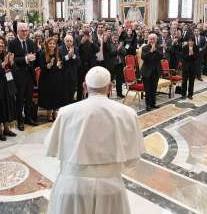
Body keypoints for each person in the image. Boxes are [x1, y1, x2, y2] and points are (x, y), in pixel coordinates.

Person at [46, 66, 145, 214]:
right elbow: (132, 160)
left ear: (85, 86)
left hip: (72, 188)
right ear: (110, 87)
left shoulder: (65, 112)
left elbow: (52, 150)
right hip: (110, 189)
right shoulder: (128, 114)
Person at [8, 23, 38, 130]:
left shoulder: (30, 42)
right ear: (18, 32)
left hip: (29, 74)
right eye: (23, 31)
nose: (25, 32)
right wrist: (26, 59)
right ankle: (20, 121)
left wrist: (32, 58)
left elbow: (33, 55)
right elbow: (12, 59)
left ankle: (28, 118)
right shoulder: (12, 43)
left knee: (29, 98)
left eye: (26, 31)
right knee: (20, 99)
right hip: (18, 75)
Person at [39, 38, 65, 121]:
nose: (52, 45)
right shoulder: (43, 53)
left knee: (56, 96)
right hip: (46, 78)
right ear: (47, 44)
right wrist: (47, 66)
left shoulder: (59, 53)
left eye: (53, 43)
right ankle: (49, 114)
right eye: (50, 43)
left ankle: (55, 113)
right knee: (49, 96)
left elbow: (62, 65)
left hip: (57, 78)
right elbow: (41, 67)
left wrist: (60, 66)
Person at [141, 33, 163, 111]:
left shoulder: (159, 47)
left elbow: (161, 56)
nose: (152, 40)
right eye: (151, 39)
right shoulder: (145, 48)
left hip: (156, 71)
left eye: (154, 39)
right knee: (148, 89)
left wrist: (155, 50)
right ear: (148, 39)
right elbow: (143, 57)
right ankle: (148, 105)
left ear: (156, 40)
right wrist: (150, 51)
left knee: (154, 89)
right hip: (146, 72)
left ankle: (153, 104)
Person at [77, 30, 99, 101]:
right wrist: (81, 43)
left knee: (90, 83)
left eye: (87, 36)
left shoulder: (93, 40)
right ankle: (79, 99)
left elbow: (97, 49)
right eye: (84, 35)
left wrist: (92, 42)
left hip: (91, 66)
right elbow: (76, 50)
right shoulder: (79, 40)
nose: (86, 37)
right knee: (80, 83)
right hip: (82, 66)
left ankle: (89, 98)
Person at [59, 34, 80, 105]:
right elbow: (60, 60)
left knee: (72, 92)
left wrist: (73, 55)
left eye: (70, 41)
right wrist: (68, 56)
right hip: (63, 75)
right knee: (64, 94)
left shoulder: (76, 49)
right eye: (67, 41)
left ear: (73, 42)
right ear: (64, 41)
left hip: (73, 75)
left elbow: (79, 60)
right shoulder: (60, 49)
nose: (69, 42)